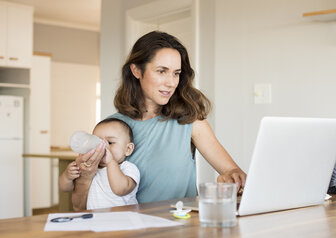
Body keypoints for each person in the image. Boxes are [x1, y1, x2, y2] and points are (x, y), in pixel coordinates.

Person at [71, 31, 246, 211]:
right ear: (136, 70)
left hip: (179, 229)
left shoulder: (189, 121)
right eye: (161, 71)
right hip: (127, 233)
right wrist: (85, 177)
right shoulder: (110, 129)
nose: (171, 83)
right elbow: (79, 206)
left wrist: (234, 178)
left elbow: (232, 172)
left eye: (176, 73)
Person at [59, 118, 139, 210]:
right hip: (95, 220)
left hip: (123, 219)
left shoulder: (128, 168)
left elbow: (120, 190)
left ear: (128, 149)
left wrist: (110, 161)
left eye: (110, 142)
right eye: (97, 142)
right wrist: (67, 176)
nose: (102, 147)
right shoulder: (91, 168)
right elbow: (64, 188)